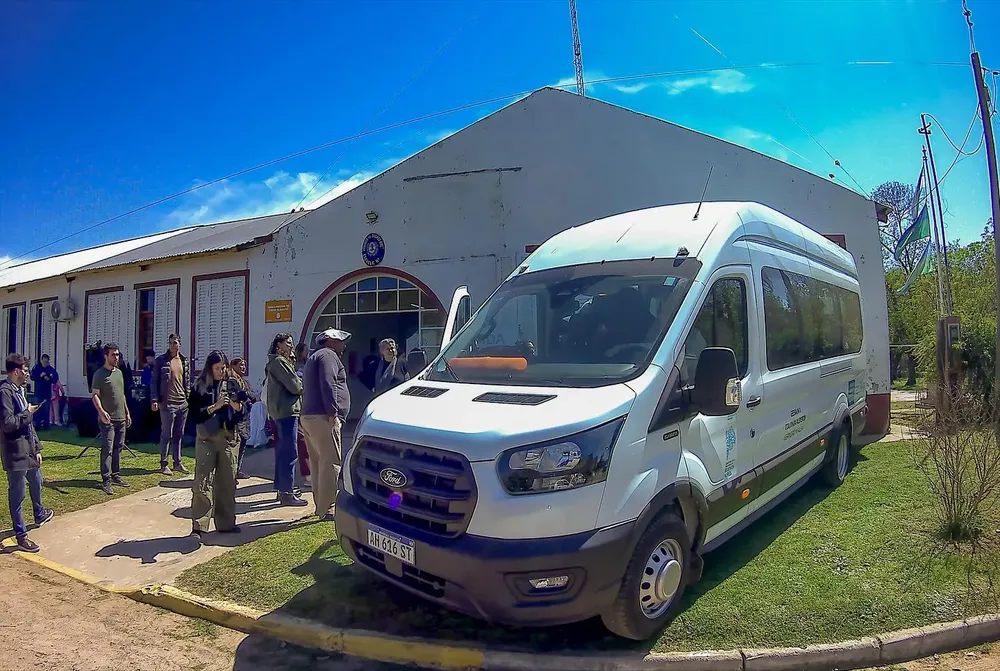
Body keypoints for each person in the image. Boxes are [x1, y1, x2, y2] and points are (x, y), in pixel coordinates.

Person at [188, 350, 244, 538]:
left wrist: (237, 407)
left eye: (223, 367)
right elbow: (195, 415)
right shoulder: (200, 386)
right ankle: (199, 526)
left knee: (227, 483)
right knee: (203, 482)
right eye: (217, 368)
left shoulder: (232, 384)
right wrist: (215, 406)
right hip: (206, 438)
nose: (221, 371)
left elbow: (241, 413)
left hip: (228, 438)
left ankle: (226, 523)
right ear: (209, 368)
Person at [1, 354, 53, 553]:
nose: (28, 373)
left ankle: (39, 513)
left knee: (37, 480)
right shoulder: (5, 392)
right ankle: (21, 535)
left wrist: (37, 447)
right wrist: (28, 413)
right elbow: (8, 424)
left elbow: (28, 426)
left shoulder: (20, 390)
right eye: (25, 370)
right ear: (16, 371)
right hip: (15, 451)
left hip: (28, 449)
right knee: (18, 493)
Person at [300, 328, 352, 521]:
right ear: (331, 341)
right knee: (330, 462)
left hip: (310, 416)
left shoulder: (316, 356)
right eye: (341, 341)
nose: (344, 345)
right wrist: (333, 412)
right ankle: (328, 507)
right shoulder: (328, 356)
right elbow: (328, 383)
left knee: (317, 462)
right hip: (323, 417)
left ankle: (320, 506)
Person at [265, 333, 307, 507]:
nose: (291, 346)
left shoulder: (278, 362)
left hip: (280, 412)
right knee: (289, 453)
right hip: (287, 412)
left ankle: (282, 489)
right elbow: (295, 386)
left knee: (283, 452)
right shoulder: (280, 363)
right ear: (278, 346)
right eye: (288, 343)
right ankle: (287, 493)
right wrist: (302, 382)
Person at [91, 343, 131, 495]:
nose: (116, 357)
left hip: (120, 417)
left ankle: (116, 475)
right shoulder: (99, 374)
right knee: (107, 448)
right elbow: (95, 395)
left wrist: (127, 413)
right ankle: (106, 479)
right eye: (113, 355)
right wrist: (101, 412)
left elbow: (122, 395)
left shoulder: (119, 373)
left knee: (118, 446)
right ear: (105, 356)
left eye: (118, 354)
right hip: (107, 418)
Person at [150, 334, 191, 476]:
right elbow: (154, 381)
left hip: (182, 402)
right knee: (166, 434)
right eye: (170, 343)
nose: (173, 345)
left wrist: (188, 396)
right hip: (168, 403)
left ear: (179, 344)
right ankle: (164, 463)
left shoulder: (184, 361)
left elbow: (187, 380)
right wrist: (154, 399)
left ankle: (177, 462)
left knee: (179, 434)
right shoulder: (161, 361)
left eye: (175, 343)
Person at [228, 357, 258, 480]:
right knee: (236, 445)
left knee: (243, 442)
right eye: (240, 365)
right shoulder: (232, 381)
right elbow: (236, 397)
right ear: (233, 366)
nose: (243, 367)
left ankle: (237, 469)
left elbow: (252, 396)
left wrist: (248, 397)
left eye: (244, 365)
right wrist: (246, 396)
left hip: (245, 416)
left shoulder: (244, 382)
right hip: (236, 417)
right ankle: (232, 470)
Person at [29, 354, 58, 431]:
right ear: (41, 361)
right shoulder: (37, 368)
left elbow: (55, 379)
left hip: (47, 393)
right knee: (37, 409)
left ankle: (46, 425)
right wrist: (40, 376)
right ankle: (37, 425)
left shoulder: (50, 369)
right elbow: (32, 377)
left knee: (46, 410)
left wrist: (50, 377)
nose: (45, 364)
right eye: (44, 362)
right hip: (38, 392)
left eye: (47, 362)